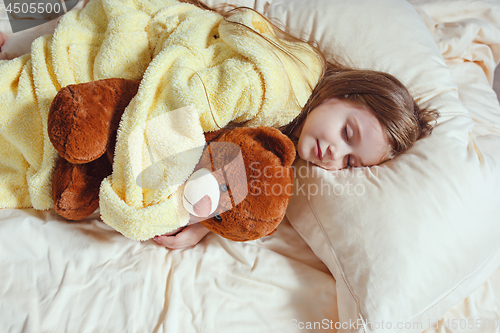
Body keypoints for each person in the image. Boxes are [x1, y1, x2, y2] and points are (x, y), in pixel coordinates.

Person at [152, 0, 439, 249]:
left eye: (350, 162)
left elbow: (242, 164)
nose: (334, 153)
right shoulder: (280, 86)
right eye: (346, 132)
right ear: (342, 93)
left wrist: (205, 222)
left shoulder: (287, 147)